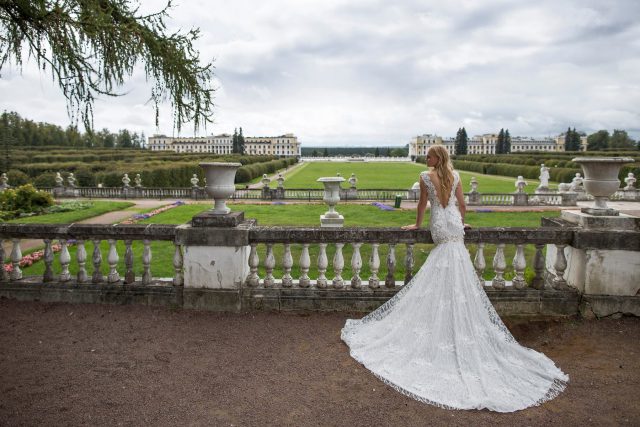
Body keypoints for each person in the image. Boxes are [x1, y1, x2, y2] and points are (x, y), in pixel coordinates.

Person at [341, 145, 568, 412]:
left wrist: (417, 225)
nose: (426, 159)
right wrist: (462, 222)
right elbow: (462, 204)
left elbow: (423, 204)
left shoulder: (426, 176)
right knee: (457, 267)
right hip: (454, 224)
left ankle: (441, 317)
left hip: (440, 224)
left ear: (437, 158)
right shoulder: (456, 174)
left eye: (429, 156)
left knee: (441, 265)